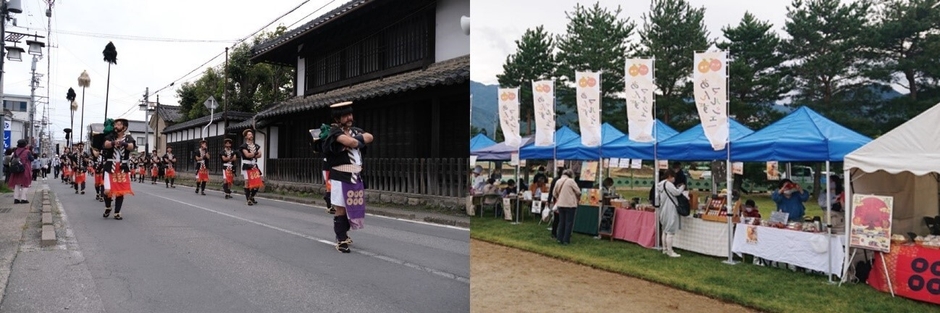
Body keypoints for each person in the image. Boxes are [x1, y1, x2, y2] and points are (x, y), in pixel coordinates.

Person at [323, 101, 373, 253]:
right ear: (337, 118)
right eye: (345, 115)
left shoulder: (355, 131)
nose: (349, 117)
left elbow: (370, 136)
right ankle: (340, 239)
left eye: (350, 114)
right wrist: (356, 141)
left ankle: (344, 233)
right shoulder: (333, 132)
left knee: (353, 207)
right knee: (341, 207)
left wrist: (353, 142)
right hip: (340, 175)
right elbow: (350, 141)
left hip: (356, 175)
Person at [101, 118, 136, 220]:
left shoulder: (128, 137)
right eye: (115, 124)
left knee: (120, 191)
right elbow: (106, 144)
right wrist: (113, 143)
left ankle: (117, 212)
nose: (116, 126)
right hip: (110, 166)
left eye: (119, 124)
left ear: (124, 127)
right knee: (107, 190)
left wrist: (123, 144)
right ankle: (108, 207)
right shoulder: (111, 136)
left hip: (122, 167)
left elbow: (131, 147)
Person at [657, 169, 686, 258]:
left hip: (663, 209)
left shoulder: (660, 185)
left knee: (664, 230)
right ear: (670, 176)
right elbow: (676, 193)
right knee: (670, 231)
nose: (674, 179)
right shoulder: (668, 184)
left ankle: (664, 249)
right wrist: (682, 187)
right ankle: (670, 251)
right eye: (673, 177)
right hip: (670, 209)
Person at [552, 169, 581, 245]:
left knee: (561, 222)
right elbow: (578, 191)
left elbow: (554, 193)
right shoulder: (571, 181)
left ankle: (559, 238)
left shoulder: (558, 181)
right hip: (570, 204)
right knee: (569, 223)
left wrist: (559, 197)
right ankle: (566, 240)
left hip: (560, 204)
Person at [240, 129, 263, 205]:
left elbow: (260, 155)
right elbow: (247, 155)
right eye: (249, 134)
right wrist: (255, 154)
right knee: (247, 182)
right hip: (247, 165)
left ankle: (251, 196)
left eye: (251, 134)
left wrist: (254, 154)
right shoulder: (244, 146)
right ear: (246, 137)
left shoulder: (256, 146)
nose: (251, 135)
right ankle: (248, 199)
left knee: (257, 182)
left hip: (254, 164)